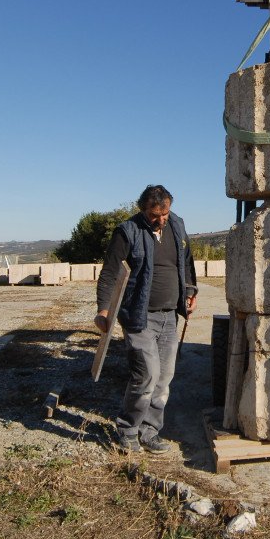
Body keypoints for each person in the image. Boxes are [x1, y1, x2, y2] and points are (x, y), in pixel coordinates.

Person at [95, 184, 197, 454]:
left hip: (169, 317)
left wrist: (190, 290)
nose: (161, 220)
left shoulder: (177, 224)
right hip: (139, 317)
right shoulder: (127, 232)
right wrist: (104, 311)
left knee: (164, 379)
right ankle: (127, 429)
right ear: (142, 210)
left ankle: (149, 431)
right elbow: (109, 273)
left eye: (165, 214)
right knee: (146, 375)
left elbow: (186, 262)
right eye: (155, 215)